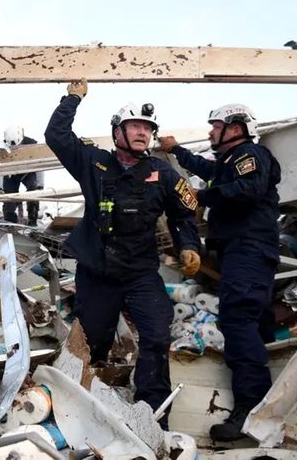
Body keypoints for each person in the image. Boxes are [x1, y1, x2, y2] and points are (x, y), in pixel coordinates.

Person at [44, 78, 201, 428]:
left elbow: (184, 215)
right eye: (135, 126)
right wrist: (71, 99)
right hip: (97, 272)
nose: (143, 133)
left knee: (157, 335)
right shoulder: (94, 163)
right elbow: (56, 137)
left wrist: (189, 245)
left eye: (148, 128)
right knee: (91, 344)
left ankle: (153, 418)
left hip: (140, 273)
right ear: (117, 132)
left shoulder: (163, 173)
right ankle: (80, 411)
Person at [157, 103, 281, 441]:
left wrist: (202, 196)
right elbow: (209, 169)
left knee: (238, 319)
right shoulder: (230, 163)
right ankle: (270, 405)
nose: (210, 132)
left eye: (215, 126)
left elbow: (247, 189)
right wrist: (176, 151)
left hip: (248, 247)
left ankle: (251, 409)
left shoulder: (250, 154)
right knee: (254, 322)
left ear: (236, 128)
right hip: (243, 250)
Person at [0, 125, 44, 226]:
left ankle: (32, 221)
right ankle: (10, 223)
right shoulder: (2, 147)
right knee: (9, 198)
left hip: (27, 171)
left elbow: (40, 164)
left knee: (33, 190)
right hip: (11, 174)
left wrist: (40, 185)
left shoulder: (32, 145)